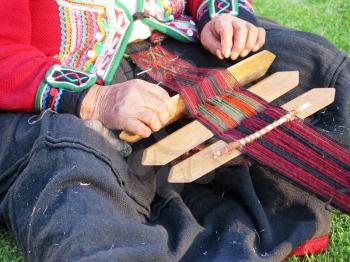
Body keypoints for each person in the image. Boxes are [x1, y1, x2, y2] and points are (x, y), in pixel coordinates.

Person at [0, 0, 349, 261]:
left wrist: (222, 17)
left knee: (307, 58)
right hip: (69, 89)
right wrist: (96, 100)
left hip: (180, 49)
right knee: (70, 160)